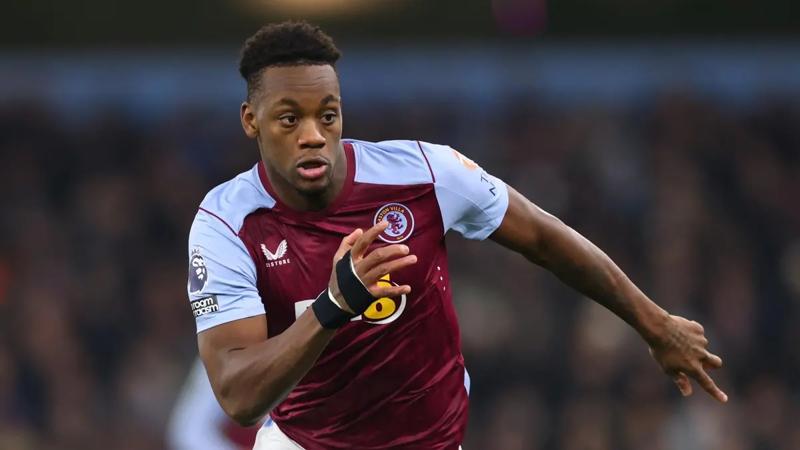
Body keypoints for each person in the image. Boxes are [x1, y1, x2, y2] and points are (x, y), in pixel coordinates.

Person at [186, 21, 727, 450]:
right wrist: (333, 306)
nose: (313, 135)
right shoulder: (226, 224)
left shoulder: (425, 173)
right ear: (251, 120)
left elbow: (546, 239)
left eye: (328, 115)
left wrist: (655, 324)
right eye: (289, 120)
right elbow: (239, 397)